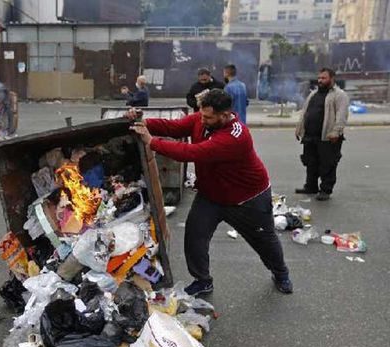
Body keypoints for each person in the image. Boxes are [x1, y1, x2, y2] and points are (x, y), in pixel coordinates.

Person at [126, 89, 292, 296]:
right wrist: (144, 122)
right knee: (195, 236)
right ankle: (203, 280)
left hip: (248, 198)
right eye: (201, 114)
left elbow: (193, 152)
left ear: (224, 115)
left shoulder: (235, 136)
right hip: (212, 195)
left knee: (264, 240)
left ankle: (281, 273)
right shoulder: (202, 118)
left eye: (208, 117)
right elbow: (174, 127)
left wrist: (152, 141)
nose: (202, 119)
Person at [294, 68, 349, 201]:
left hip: (328, 137)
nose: (320, 80)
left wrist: (336, 132)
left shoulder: (339, 95)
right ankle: (311, 186)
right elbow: (305, 113)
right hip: (311, 136)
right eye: (319, 78)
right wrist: (299, 129)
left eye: (323, 78)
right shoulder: (314, 94)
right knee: (310, 162)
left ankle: (325, 189)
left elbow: (342, 116)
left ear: (332, 79)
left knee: (327, 164)